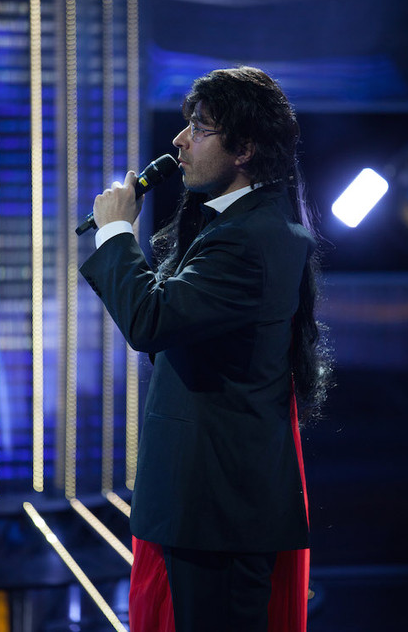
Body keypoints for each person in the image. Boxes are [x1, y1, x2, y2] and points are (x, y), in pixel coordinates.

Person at [80, 66, 329, 632]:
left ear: (244, 148)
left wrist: (115, 233)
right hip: (203, 507)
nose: (179, 140)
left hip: (218, 512)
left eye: (199, 127)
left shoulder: (252, 238)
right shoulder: (237, 228)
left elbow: (151, 322)